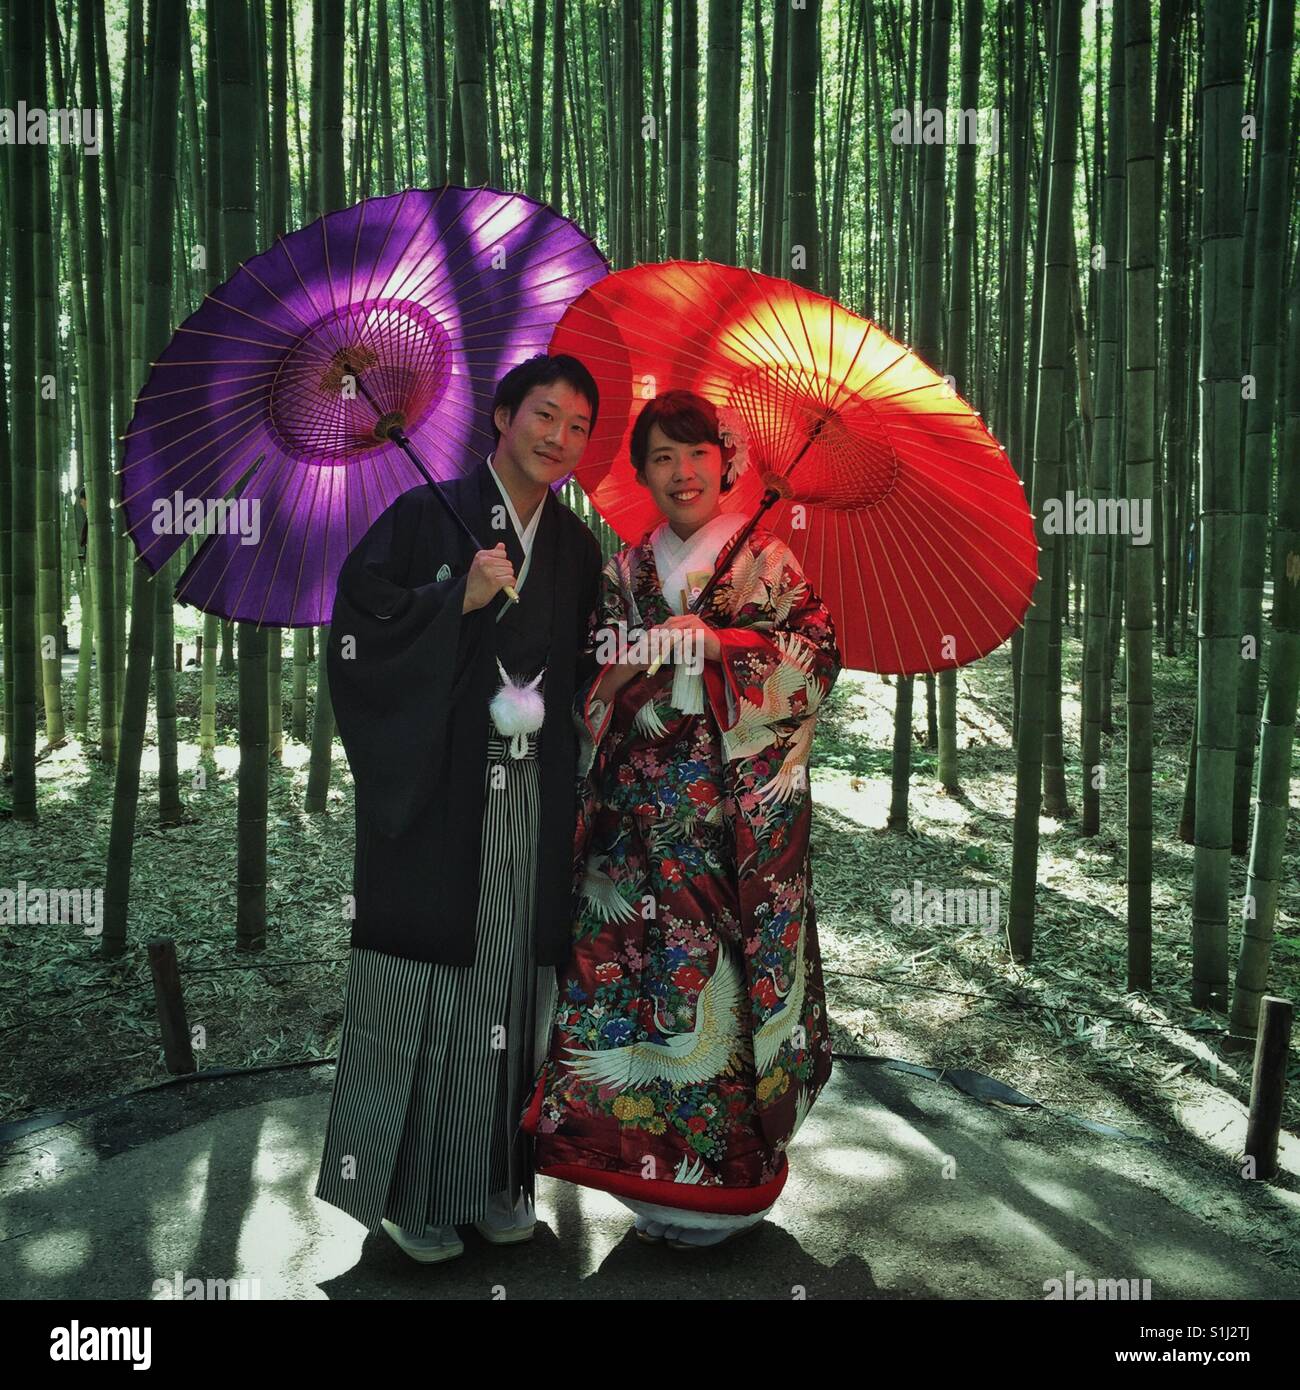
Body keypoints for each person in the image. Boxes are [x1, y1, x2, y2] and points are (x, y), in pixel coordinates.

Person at [522, 389, 841, 1249]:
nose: (681, 472)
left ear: (725, 462)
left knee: (720, 994)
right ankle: (639, 1179)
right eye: (661, 458)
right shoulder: (623, 569)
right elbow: (592, 679)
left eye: (695, 453)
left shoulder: (769, 561)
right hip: (634, 823)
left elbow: (815, 659)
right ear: (642, 476)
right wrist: (625, 670)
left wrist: (719, 645)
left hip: (730, 829)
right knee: (628, 983)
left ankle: (725, 1185)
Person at [314, 353, 603, 1263]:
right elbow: (358, 630)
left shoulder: (576, 546)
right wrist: (454, 597)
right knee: (432, 984)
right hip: (440, 796)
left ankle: (494, 1181)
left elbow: (587, 670)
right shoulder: (416, 515)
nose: (559, 438)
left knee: (514, 986)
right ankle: (417, 1194)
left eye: (577, 427)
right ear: (501, 416)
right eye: (544, 416)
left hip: (535, 794)